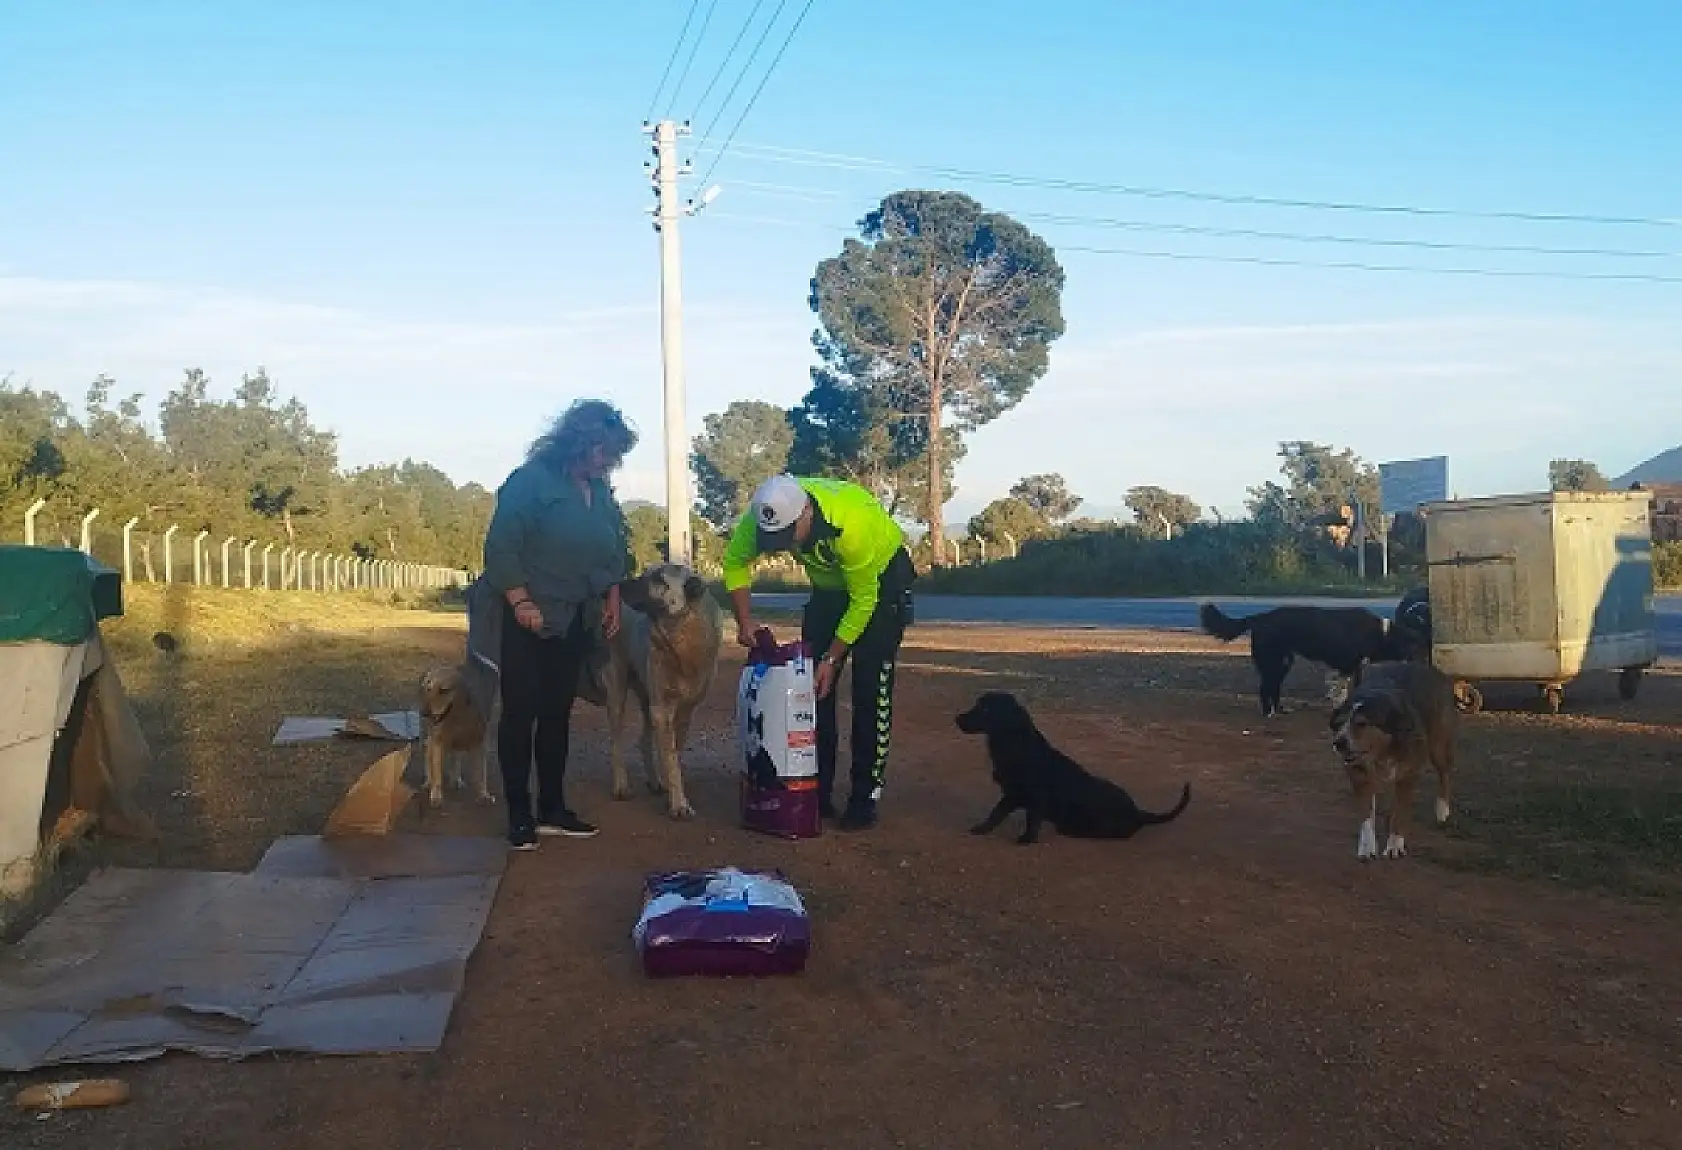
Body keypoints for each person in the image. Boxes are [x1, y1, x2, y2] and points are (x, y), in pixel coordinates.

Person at [482, 399, 635, 850]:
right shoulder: (531, 482)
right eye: (605, 451)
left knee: (556, 713)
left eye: (615, 455)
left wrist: (611, 594)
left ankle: (553, 807)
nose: (611, 461)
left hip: (574, 617)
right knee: (521, 711)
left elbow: (614, 547)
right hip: (526, 616)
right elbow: (501, 547)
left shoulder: (600, 490)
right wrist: (520, 600)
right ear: (580, 443)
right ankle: (519, 815)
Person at [722, 474, 916, 831]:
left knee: (870, 692)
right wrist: (744, 621)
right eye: (773, 540)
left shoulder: (851, 522)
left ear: (806, 513)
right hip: (828, 591)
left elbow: (863, 600)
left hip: (880, 584)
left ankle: (865, 795)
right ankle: (816, 789)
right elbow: (734, 564)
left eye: (785, 538)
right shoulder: (765, 513)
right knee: (811, 692)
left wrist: (833, 657)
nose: (780, 547)